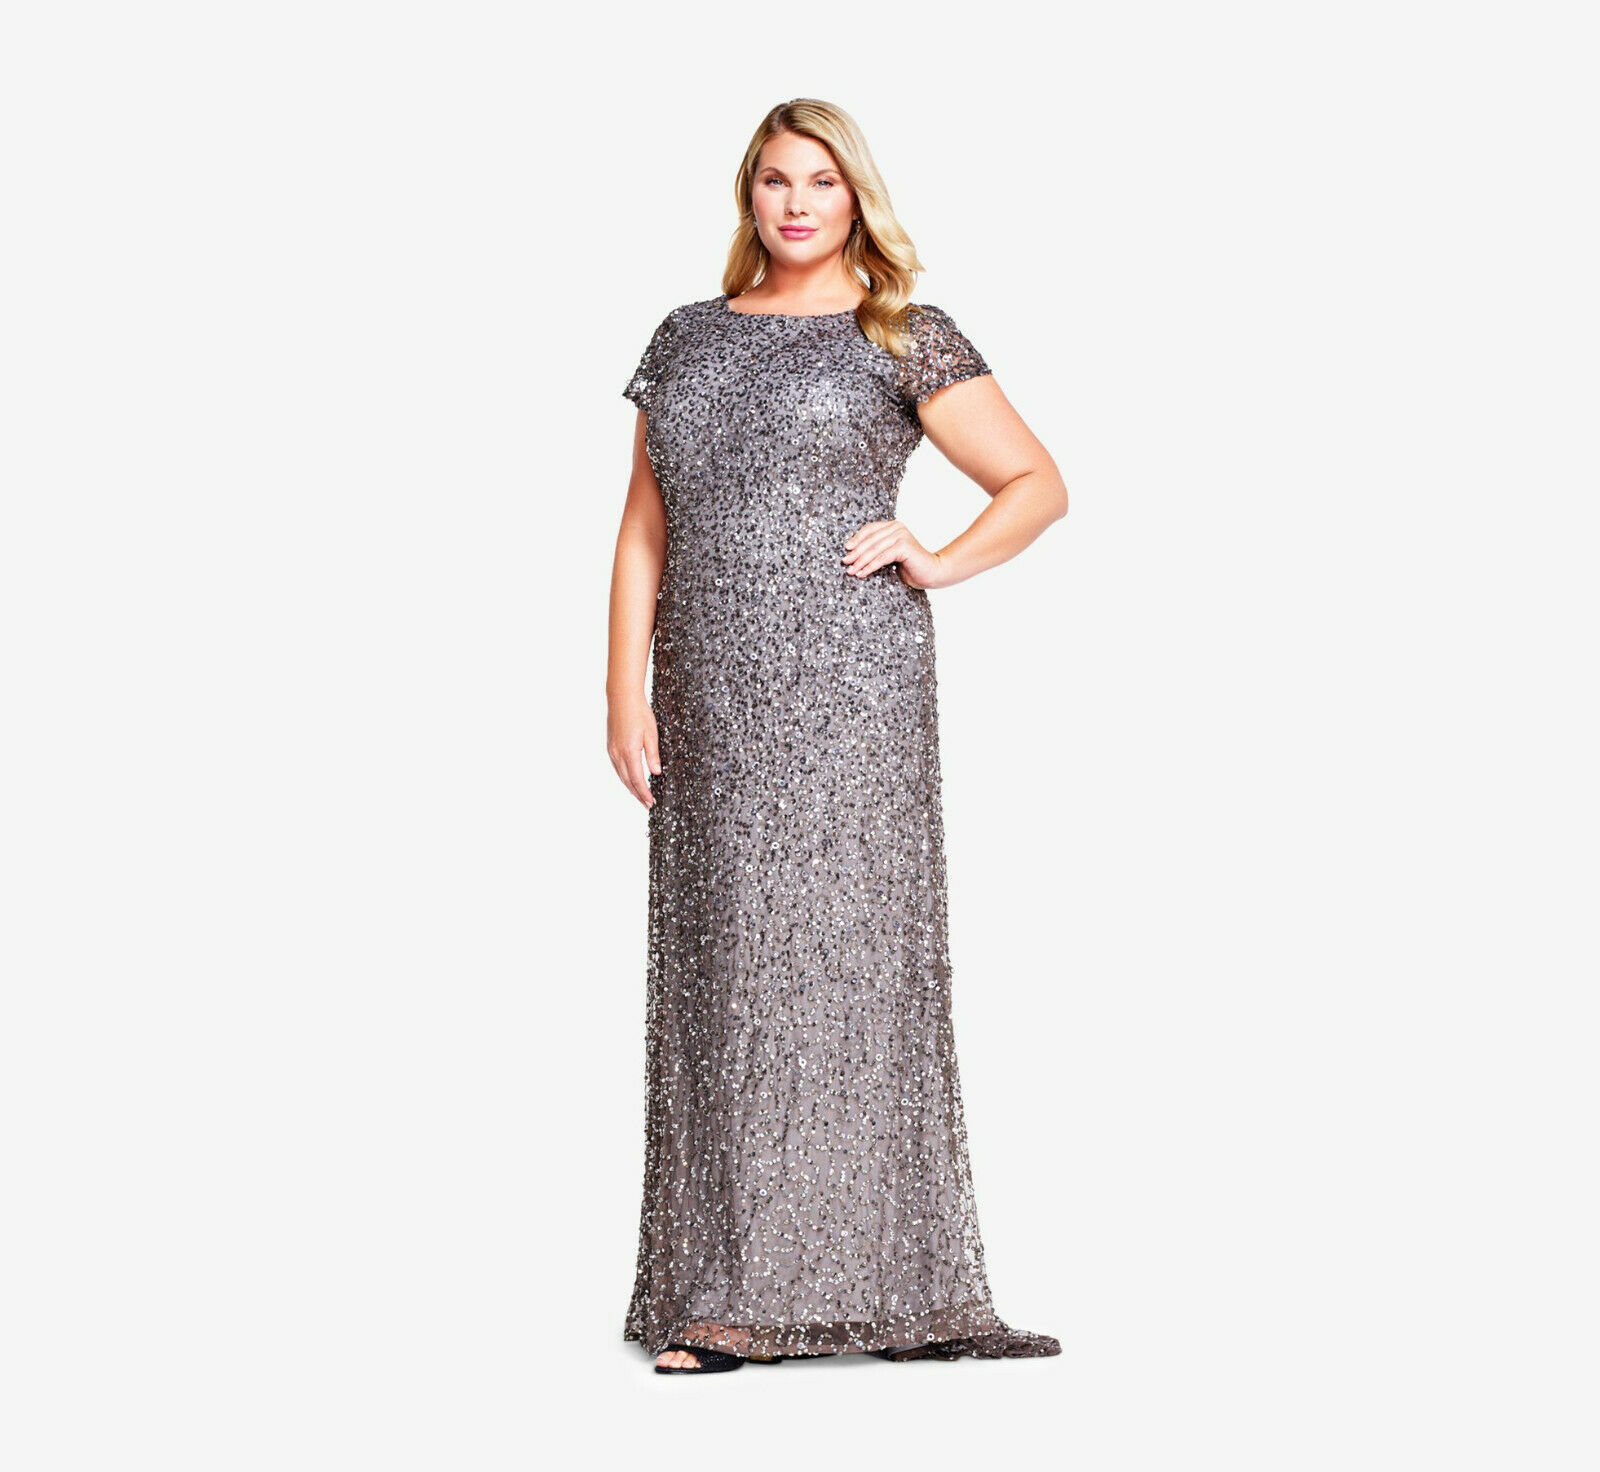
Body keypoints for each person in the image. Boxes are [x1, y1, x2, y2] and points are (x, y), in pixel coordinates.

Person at [606, 98, 1070, 1376]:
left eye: (820, 180)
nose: (797, 202)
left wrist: (939, 556)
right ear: (747, 196)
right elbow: (642, 525)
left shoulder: (900, 331)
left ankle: (896, 1291)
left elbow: (1037, 483)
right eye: (775, 180)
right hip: (708, 686)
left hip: (854, 686)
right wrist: (622, 692)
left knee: (858, 969)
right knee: (728, 973)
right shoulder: (686, 335)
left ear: (854, 194)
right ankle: (725, 1289)